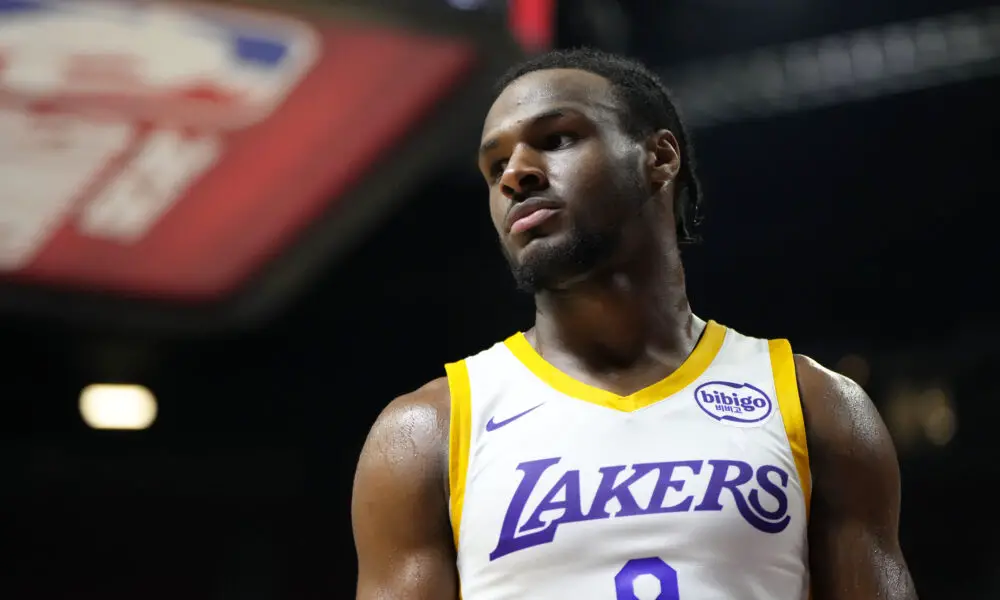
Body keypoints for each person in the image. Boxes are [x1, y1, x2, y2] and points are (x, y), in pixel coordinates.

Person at [352, 48, 917, 600]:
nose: (516, 175)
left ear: (660, 158)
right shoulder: (427, 432)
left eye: (557, 140)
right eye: (495, 165)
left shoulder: (813, 403)